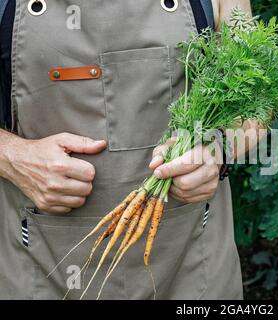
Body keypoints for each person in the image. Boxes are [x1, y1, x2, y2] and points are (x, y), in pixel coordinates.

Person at [0, 0, 255, 299]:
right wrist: (12, 155)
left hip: (190, 266)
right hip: (40, 266)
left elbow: (257, 102)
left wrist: (220, 148)